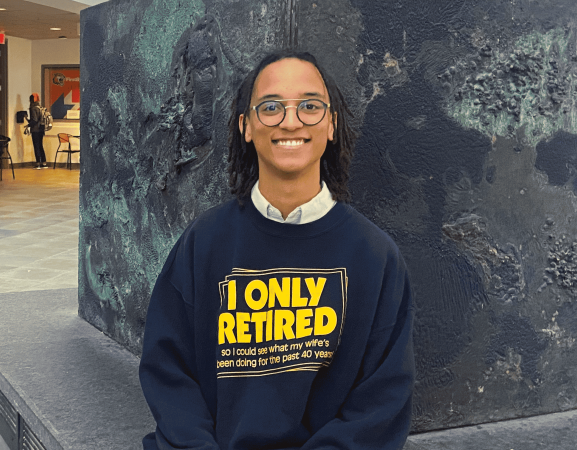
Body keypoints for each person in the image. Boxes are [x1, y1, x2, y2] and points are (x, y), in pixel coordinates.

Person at [139, 50, 415, 450]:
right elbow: (169, 371)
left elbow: (381, 404)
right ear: (246, 126)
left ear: (331, 124)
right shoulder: (204, 243)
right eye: (270, 107)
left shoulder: (375, 257)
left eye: (310, 106)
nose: (290, 121)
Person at [27, 93, 47, 169]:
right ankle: (44, 163)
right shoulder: (40, 107)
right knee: (41, 146)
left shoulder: (33, 108)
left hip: (35, 130)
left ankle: (38, 163)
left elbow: (34, 120)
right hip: (41, 129)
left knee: (36, 146)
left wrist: (28, 124)